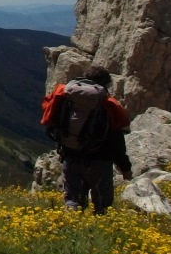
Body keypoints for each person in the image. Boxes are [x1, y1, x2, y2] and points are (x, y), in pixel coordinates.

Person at [40, 65, 133, 213]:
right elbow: (116, 142)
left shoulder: (64, 96)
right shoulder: (108, 105)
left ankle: (70, 229)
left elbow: (50, 121)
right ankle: (100, 231)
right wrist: (125, 168)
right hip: (99, 160)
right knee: (102, 205)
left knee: (72, 200)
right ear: (105, 83)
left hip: (70, 156)